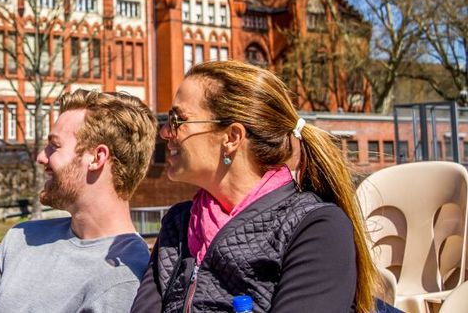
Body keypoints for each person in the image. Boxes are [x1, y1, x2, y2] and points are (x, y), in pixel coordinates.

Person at [131, 61, 377, 313]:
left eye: (177, 120)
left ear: (232, 137)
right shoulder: (178, 224)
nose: (164, 132)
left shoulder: (316, 229)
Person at [0, 90, 158, 312]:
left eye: (54, 146)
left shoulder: (125, 276)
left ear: (97, 157)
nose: (41, 156)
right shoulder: (21, 238)